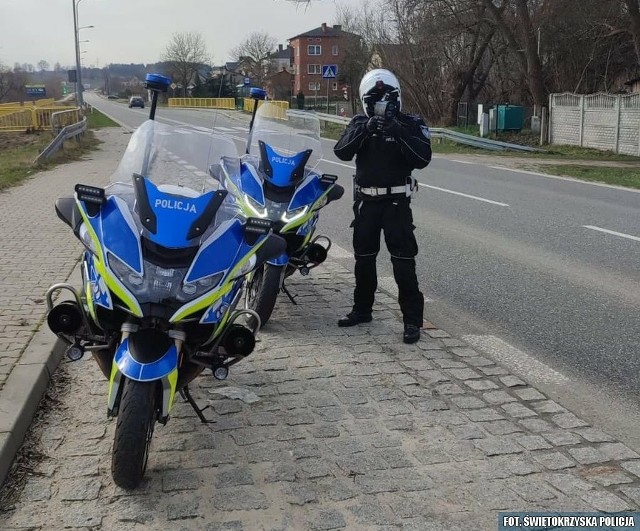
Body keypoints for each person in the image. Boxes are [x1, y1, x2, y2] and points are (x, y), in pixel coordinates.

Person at [334, 69, 432, 344]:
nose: (381, 106)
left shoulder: (410, 123)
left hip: (396, 203)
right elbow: (341, 152)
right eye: (375, 100)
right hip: (366, 202)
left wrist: (397, 131)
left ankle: (412, 321)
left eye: (386, 99)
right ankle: (362, 310)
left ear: (396, 98)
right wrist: (365, 130)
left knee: (403, 262)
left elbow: (423, 158)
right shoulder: (359, 123)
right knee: (363, 260)